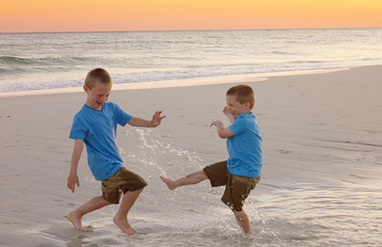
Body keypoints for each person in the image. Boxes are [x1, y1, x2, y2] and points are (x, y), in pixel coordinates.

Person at [66, 68, 165, 235]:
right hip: (103, 164)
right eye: (99, 95)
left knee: (109, 198)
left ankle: (76, 214)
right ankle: (121, 217)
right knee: (137, 184)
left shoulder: (111, 108)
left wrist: (152, 123)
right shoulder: (81, 117)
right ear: (86, 89)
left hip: (114, 161)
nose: (103, 99)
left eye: (107, 95)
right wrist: (73, 172)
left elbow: (131, 120)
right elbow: (78, 145)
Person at [160, 84, 263, 236]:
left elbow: (223, 134)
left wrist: (220, 124)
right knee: (204, 173)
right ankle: (174, 183)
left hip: (245, 173)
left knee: (236, 207)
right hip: (235, 165)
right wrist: (229, 115)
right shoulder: (245, 119)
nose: (229, 107)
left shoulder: (245, 121)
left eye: (231, 105)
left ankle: (249, 234)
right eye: (227, 104)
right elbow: (236, 126)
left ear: (246, 105)